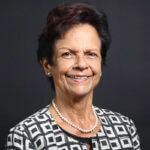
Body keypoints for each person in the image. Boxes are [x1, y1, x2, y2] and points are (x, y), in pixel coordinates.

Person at [6, 3, 141, 150]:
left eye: (91, 54)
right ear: (47, 65)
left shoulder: (125, 129)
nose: (81, 65)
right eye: (67, 54)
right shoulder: (26, 137)